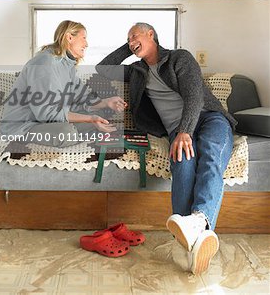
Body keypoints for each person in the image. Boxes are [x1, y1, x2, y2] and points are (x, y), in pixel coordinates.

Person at [95, 22, 236, 275]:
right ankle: (194, 242)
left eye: (135, 36)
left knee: (211, 155)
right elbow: (103, 69)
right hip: (175, 131)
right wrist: (132, 46)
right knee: (182, 166)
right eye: (127, 39)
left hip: (208, 118)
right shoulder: (137, 71)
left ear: (152, 34)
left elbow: (195, 96)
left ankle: (198, 223)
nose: (130, 42)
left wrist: (185, 131)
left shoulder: (179, 58)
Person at [0, 20, 126, 155]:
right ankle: (81, 132)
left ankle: (87, 131)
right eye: (84, 38)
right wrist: (90, 119)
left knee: (100, 117)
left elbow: (82, 97)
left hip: (44, 122)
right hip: (23, 125)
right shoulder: (44, 63)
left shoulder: (67, 65)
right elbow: (47, 113)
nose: (87, 44)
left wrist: (106, 102)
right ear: (69, 37)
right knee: (67, 133)